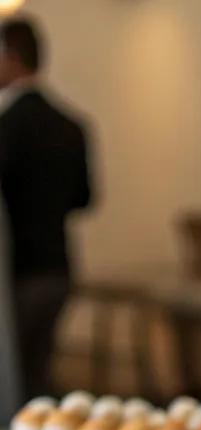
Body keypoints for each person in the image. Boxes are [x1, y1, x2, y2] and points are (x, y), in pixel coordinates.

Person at [0, 16, 91, 398]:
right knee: (41, 366)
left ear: (11, 57)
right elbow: (85, 198)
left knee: (15, 376)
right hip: (59, 264)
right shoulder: (72, 124)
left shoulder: (7, 126)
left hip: (17, 269)